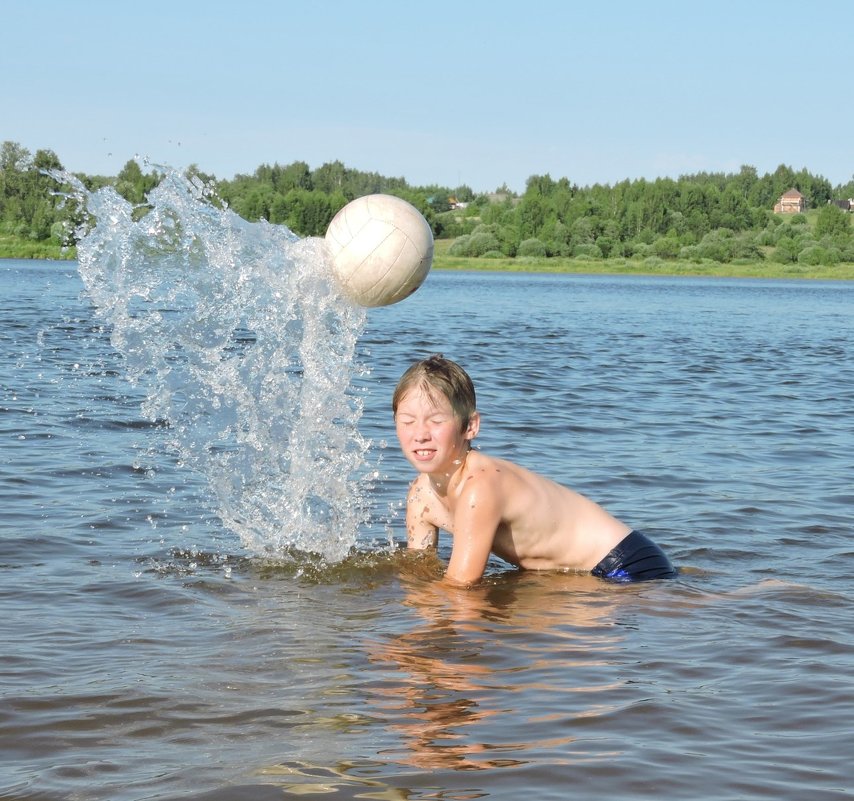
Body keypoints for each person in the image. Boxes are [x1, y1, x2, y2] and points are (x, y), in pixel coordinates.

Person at [393, 355, 676, 587]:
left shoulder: (479, 485)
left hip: (627, 567)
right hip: (577, 574)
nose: (420, 434)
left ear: (471, 427)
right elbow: (420, 573)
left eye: (435, 421)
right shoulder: (421, 495)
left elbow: (460, 587)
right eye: (407, 421)